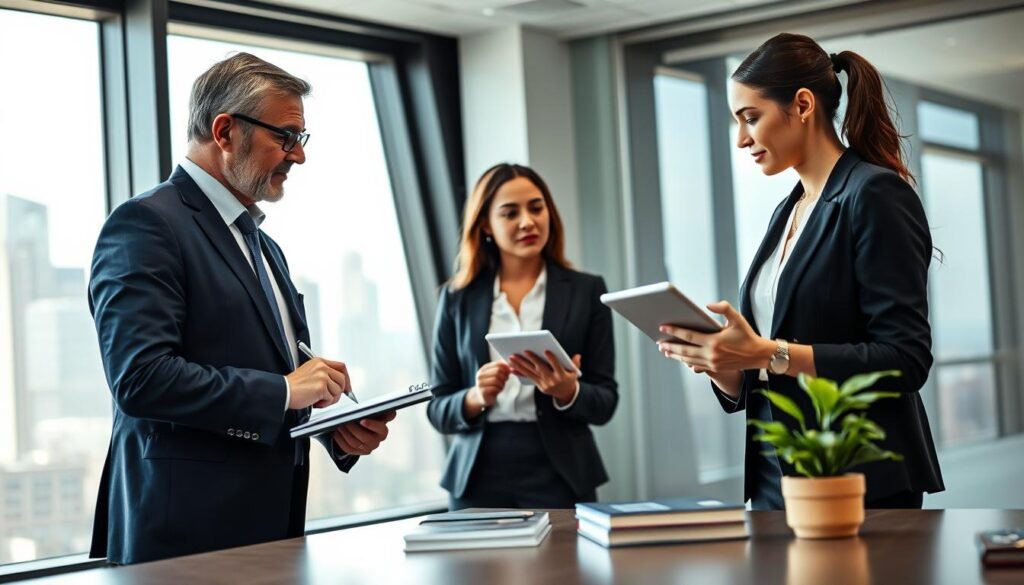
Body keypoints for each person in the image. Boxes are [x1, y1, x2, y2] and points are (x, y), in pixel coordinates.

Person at [88, 52, 395, 564]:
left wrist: (334, 429)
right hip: (182, 542)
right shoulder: (145, 224)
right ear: (225, 130)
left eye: (301, 140)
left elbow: (280, 384)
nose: (299, 156)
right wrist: (284, 390)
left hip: (269, 532)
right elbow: (140, 378)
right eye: (287, 137)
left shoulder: (263, 246)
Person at [657, 33, 944, 509]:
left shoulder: (873, 195)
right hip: (775, 469)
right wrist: (723, 364)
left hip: (856, 474)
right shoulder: (787, 211)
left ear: (804, 104)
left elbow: (905, 358)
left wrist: (771, 353)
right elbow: (769, 362)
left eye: (751, 118)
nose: (741, 139)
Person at [427, 163, 618, 510]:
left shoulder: (587, 290)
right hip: (476, 476)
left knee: (567, 566)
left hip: (563, 473)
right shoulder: (457, 298)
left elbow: (606, 401)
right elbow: (438, 407)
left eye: (536, 207)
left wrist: (568, 391)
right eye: (510, 213)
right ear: (485, 224)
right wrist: (474, 396)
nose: (527, 222)